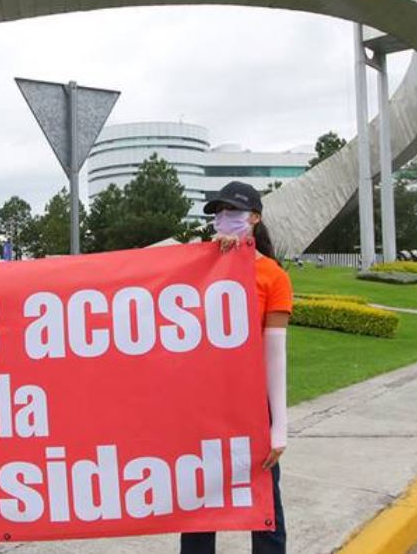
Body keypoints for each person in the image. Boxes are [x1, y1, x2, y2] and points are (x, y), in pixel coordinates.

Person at [181, 181, 291, 554]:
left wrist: (279, 426)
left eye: (233, 213)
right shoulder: (199, 266)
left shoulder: (273, 276)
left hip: (250, 405)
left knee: (264, 505)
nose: (224, 220)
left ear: (255, 218)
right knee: (200, 502)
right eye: (218, 214)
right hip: (203, 403)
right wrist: (219, 260)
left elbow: (274, 354)